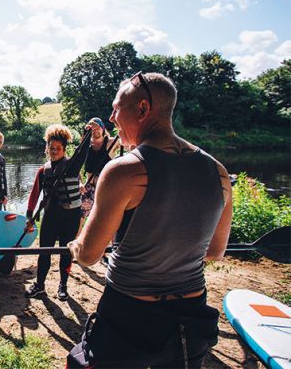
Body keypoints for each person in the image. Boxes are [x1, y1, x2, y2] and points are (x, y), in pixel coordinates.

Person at [67, 72, 233, 368]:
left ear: (142, 109)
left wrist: (75, 245)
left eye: (117, 107)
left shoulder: (125, 170)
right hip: (190, 317)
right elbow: (214, 251)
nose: (112, 116)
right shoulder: (218, 172)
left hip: (129, 316)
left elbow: (90, 256)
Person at [24, 124, 89, 301]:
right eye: (51, 148)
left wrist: (87, 134)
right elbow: (34, 195)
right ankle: (39, 285)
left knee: (65, 252)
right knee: (44, 251)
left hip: (70, 217)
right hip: (50, 217)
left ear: (64, 149)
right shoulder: (42, 171)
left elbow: (82, 153)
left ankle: (63, 285)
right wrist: (29, 216)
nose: (54, 151)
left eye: (58, 148)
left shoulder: (72, 166)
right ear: (47, 148)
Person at [79, 117, 119, 222]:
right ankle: (78, 238)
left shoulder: (110, 143)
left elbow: (129, 144)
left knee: (105, 220)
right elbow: (75, 164)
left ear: (103, 129)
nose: (95, 130)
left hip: (106, 189)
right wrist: (80, 182)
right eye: (92, 129)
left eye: (98, 127)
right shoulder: (85, 146)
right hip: (89, 188)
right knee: (79, 216)